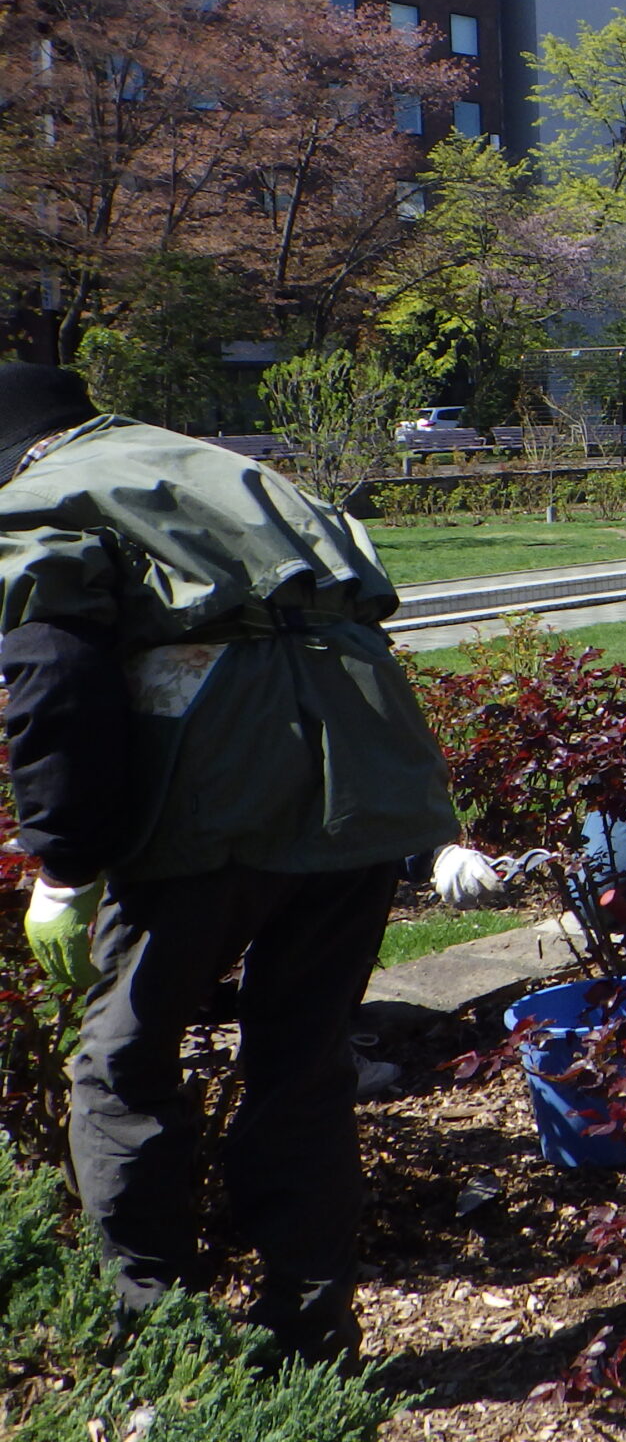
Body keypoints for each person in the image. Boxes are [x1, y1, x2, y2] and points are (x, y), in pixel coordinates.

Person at [1, 364, 455, 1362]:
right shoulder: (204, 463)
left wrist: (65, 868)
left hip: (224, 788)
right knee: (301, 1062)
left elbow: (52, 682)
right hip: (368, 775)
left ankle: (161, 1340)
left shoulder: (37, 495)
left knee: (121, 1067)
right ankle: (311, 1336)